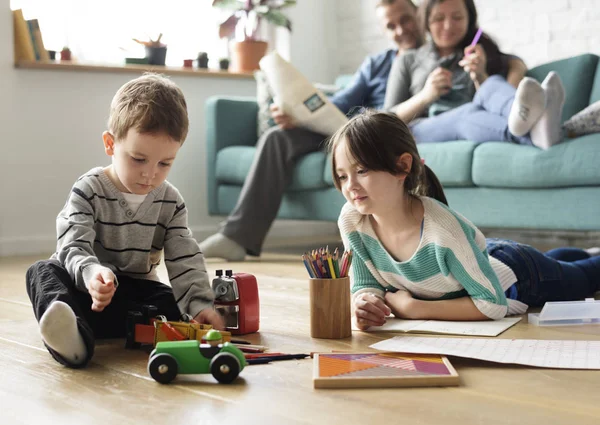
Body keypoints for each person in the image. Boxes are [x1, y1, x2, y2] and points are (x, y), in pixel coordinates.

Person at [329, 111, 599, 330]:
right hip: (476, 260)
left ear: (402, 167)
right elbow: (365, 283)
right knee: (559, 262)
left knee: (586, 277)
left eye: (361, 170)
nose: (350, 186)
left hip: (520, 274)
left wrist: (415, 309)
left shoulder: (443, 229)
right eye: (342, 176)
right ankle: (572, 255)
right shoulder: (353, 220)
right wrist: (365, 302)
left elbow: (492, 304)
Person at [199, 0, 424, 261]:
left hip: (381, 136)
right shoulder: (378, 63)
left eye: (405, 20)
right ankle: (236, 237)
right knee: (277, 137)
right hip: (346, 130)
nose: (400, 30)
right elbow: (341, 102)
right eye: (391, 25)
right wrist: (299, 115)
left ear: (419, 16)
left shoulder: (429, 60)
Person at [25, 74, 224, 368]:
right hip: (85, 290)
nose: (150, 174)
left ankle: (117, 328)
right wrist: (93, 274)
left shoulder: (170, 201)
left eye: (165, 163)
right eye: (138, 159)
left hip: (132, 296)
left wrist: (200, 305)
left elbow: (184, 256)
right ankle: (73, 339)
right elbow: (73, 247)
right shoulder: (88, 189)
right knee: (41, 272)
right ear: (110, 144)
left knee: (169, 301)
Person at [384, 0, 565, 149]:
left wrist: (480, 76)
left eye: (457, 17)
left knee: (491, 83)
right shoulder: (408, 60)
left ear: (469, 20)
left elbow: (514, 62)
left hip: (477, 118)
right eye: (439, 18)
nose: (448, 26)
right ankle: (538, 130)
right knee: (467, 113)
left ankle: (532, 116)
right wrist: (426, 95)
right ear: (426, 22)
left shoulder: (480, 52)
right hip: (421, 128)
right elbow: (386, 119)